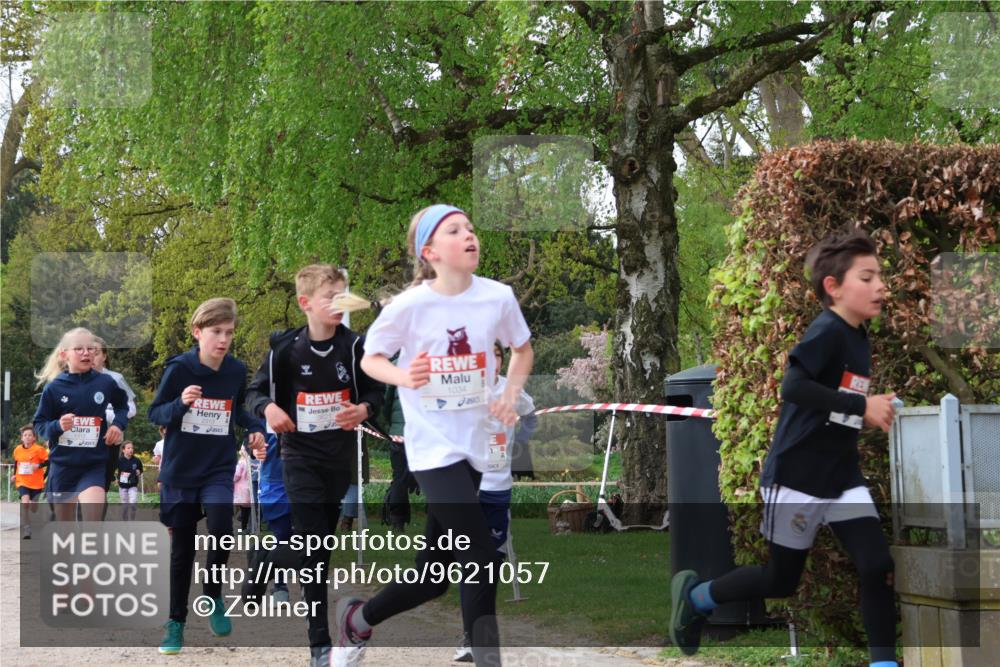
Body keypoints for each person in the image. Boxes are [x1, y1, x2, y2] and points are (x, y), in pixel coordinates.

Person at [668, 231, 898, 667]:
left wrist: (872, 410)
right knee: (780, 580)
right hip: (798, 477)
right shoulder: (828, 330)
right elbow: (794, 386)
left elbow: (838, 407)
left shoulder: (858, 335)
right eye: (867, 277)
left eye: (880, 276)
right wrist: (860, 405)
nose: (881, 286)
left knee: (876, 565)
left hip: (842, 478)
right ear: (834, 288)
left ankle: (883, 663)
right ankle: (698, 597)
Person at [338, 204, 534, 667]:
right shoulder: (408, 306)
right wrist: (404, 377)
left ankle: (360, 620)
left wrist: (509, 391)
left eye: (470, 227)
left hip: (476, 451)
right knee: (483, 555)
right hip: (432, 452)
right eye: (455, 230)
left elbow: (522, 350)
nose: (470, 235)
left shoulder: (498, 297)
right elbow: (371, 359)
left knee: (434, 577)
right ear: (430, 252)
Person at [246, 264, 385, 667]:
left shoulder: (355, 348)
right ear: (305, 303)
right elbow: (253, 394)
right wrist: (269, 407)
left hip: (339, 460)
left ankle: (268, 557)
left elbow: (378, 390)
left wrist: (363, 408)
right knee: (313, 549)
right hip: (299, 457)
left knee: (318, 555)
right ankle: (319, 645)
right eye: (331, 297)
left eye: (345, 295)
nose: (340, 303)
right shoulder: (285, 351)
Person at [148, 298, 265, 655]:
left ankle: (213, 594)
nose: (223, 339)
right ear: (198, 332)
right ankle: (176, 622)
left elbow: (239, 413)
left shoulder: (234, 371)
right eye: (216, 332)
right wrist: (180, 403)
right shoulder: (180, 369)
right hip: (181, 470)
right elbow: (157, 413)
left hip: (217, 466)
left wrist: (255, 430)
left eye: (229, 332)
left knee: (222, 529)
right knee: (182, 551)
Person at [453, 342, 536, 662]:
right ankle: (469, 635)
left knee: (492, 563)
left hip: (499, 488)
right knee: (470, 562)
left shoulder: (512, 390)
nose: (493, 362)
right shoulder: (464, 388)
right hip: (469, 488)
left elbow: (530, 416)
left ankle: (479, 632)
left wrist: (519, 446)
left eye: (498, 356)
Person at [32, 328, 128, 521]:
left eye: (91, 348)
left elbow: (122, 405)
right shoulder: (54, 388)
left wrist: (117, 425)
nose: (86, 353)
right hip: (62, 467)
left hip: (92, 465)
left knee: (92, 523)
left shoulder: (105, 382)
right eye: (79, 349)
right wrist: (58, 425)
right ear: (64, 354)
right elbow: (39, 425)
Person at [92, 337, 138, 496]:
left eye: (96, 352)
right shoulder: (74, 379)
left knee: (100, 489)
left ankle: (95, 521)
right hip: (82, 441)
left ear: (104, 356)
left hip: (109, 441)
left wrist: (109, 417)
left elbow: (131, 408)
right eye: (88, 351)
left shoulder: (115, 378)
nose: (91, 356)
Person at [11, 424, 49, 539]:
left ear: (34, 438)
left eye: (30, 435)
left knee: (33, 507)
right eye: (25, 435)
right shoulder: (17, 449)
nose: (27, 437)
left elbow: (49, 461)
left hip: (36, 483)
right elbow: (16, 463)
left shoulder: (39, 450)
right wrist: (14, 475)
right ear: (22, 438)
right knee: (25, 502)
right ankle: (27, 529)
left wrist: (38, 465)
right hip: (22, 481)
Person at [116, 440, 144, 521]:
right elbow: (112, 469)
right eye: (128, 448)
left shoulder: (137, 460)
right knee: (125, 506)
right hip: (122, 486)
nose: (131, 449)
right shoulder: (119, 460)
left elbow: (140, 469)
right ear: (123, 450)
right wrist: (115, 479)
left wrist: (139, 471)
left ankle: (132, 520)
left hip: (133, 485)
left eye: (132, 448)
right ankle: (125, 520)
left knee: (133, 503)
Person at [233, 448, 252, 532]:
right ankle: (249, 526)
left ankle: (243, 528)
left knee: (243, 509)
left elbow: (236, 475)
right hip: (250, 488)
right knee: (249, 509)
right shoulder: (252, 461)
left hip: (241, 489)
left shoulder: (241, 462)